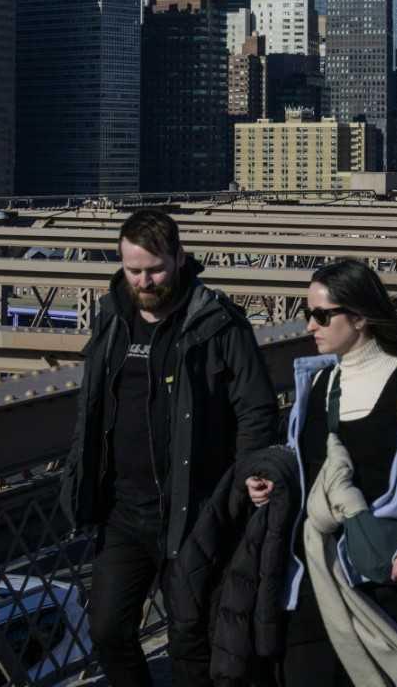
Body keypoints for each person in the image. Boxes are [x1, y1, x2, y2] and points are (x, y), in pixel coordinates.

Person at [63, 209, 280, 687]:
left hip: (197, 509)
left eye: (155, 268)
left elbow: (255, 408)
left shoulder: (218, 323)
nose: (144, 280)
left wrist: (252, 472)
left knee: (190, 640)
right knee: (107, 630)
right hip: (123, 510)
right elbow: (93, 404)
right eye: (133, 269)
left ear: (180, 258)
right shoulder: (111, 317)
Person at [256, 260, 397, 686]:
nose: (309, 325)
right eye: (306, 312)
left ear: (360, 317)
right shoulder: (316, 385)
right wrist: (270, 483)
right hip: (316, 564)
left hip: (386, 567)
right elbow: (306, 467)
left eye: (321, 315)